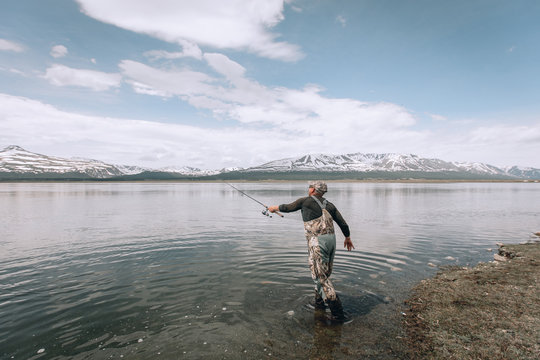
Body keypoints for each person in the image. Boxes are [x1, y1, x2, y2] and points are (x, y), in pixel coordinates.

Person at [268, 181, 354, 321]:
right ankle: (319, 304)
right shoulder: (330, 205)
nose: (308, 188)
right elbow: (343, 223)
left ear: (313, 189)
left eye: (309, 187)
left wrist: (273, 208)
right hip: (331, 241)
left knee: (320, 277)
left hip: (318, 242)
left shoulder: (305, 201)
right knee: (324, 272)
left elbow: (288, 208)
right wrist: (348, 238)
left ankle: (338, 314)